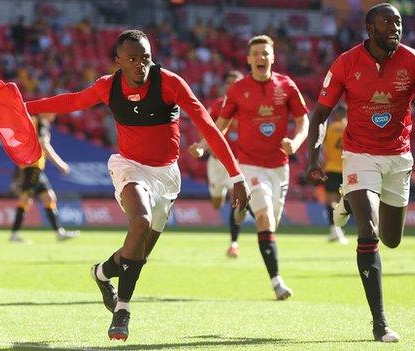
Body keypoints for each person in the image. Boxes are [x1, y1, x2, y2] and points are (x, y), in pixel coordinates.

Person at [24, 30, 249, 341]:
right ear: (118, 62)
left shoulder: (170, 83)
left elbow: (208, 128)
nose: (141, 64)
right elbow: (71, 101)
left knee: (138, 255)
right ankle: (123, 311)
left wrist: (236, 176)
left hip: (167, 175)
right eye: (132, 58)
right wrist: (26, 107)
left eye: (145, 57)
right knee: (140, 221)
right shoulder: (108, 86)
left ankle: (101, 273)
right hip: (129, 167)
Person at [305, 3, 415, 342]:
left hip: (398, 158)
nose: (395, 27)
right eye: (387, 21)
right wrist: (312, 157)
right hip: (359, 154)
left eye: (399, 22)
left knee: (391, 240)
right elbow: (319, 115)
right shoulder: (346, 63)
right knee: (369, 232)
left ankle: (348, 200)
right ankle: (380, 323)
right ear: (370, 28)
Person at [191, 34, 309, 301]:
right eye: (256, 53)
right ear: (248, 59)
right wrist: (202, 145)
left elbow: (304, 121)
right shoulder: (237, 89)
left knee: (271, 223)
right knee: (265, 217)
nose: (261, 58)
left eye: (265, 53)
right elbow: (219, 124)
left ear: (273, 57)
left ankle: (241, 206)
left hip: (279, 167)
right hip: (249, 165)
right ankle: (277, 282)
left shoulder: (287, 86)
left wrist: (297, 141)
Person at [191, 70, 248, 258]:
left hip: (238, 160)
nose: (233, 86)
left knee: (236, 199)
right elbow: (206, 128)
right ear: (225, 86)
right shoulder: (217, 105)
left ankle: (233, 244)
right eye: (230, 82)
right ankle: (219, 191)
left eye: (237, 82)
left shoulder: (248, 104)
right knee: (217, 203)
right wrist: (203, 147)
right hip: (217, 162)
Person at [9, 113, 80, 243]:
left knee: (49, 198)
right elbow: (43, 144)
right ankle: (14, 234)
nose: (54, 114)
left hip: (35, 167)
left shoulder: (36, 122)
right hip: (32, 166)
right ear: (44, 112)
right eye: (51, 111)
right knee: (26, 200)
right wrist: (60, 164)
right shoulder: (40, 122)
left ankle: (59, 233)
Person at [321, 104, 348, 244]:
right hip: (346, 169)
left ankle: (335, 230)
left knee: (331, 201)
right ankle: (337, 231)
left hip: (331, 168)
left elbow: (323, 147)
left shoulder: (330, 128)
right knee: (341, 202)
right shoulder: (349, 127)